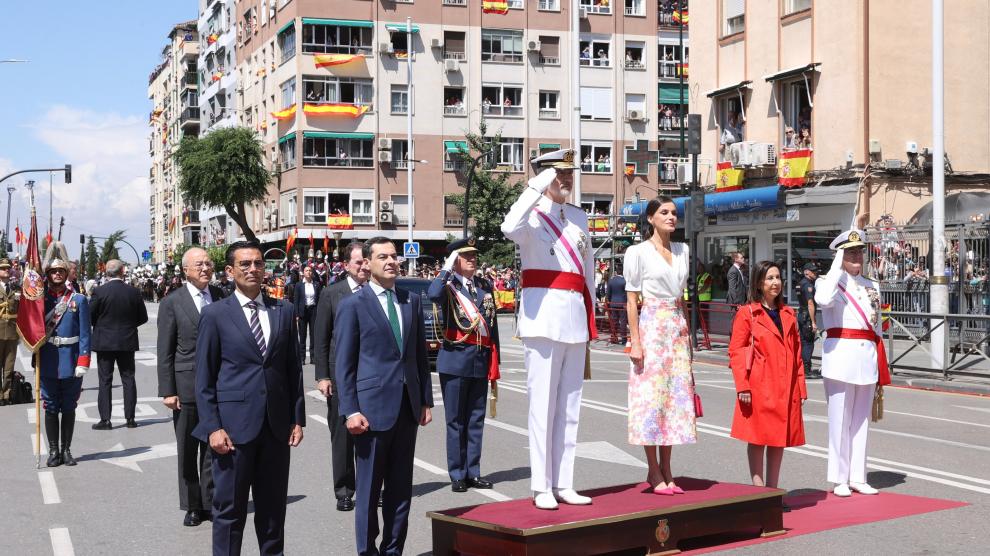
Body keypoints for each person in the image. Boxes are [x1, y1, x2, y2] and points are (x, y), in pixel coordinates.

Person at [193, 240, 306, 555]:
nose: (254, 269)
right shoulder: (215, 315)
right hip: (232, 431)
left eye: (258, 263)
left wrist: (297, 418)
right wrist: (212, 426)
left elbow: (293, 370)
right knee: (229, 512)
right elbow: (204, 378)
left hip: (275, 428)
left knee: (272, 514)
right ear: (230, 271)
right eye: (245, 264)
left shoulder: (283, 311)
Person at [500, 149, 595, 510]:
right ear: (543, 176)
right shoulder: (531, 218)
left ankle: (564, 482)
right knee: (542, 405)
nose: (567, 180)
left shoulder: (578, 217)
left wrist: (590, 313)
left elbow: (586, 271)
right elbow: (508, 227)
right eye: (560, 174)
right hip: (542, 318)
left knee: (570, 406)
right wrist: (539, 184)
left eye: (570, 174)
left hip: (573, 317)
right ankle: (541, 485)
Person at [334, 237, 433, 556]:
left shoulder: (410, 301)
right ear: (367, 263)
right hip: (371, 412)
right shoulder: (353, 304)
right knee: (368, 490)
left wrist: (425, 400)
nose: (391, 261)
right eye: (383, 257)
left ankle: (394, 549)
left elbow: (418, 355)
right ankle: (367, 550)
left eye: (394, 256)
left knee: (400, 489)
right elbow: (344, 364)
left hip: (407, 408)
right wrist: (350, 410)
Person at [624, 196, 696, 495]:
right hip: (651, 326)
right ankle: (653, 470)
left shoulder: (682, 250)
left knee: (675, 400)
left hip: (676, 329)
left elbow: (681, 298)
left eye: (674, 213)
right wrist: (636, 342)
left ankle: (668, 467)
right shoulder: (637, 252)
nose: (671, 217)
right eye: (664, 213)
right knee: (651, 400)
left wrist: (688, 335)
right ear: (651, 218)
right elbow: (631, 300)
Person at [814, 229, 890, 498]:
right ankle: (839, 478)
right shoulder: (829, 282)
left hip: (866, 358)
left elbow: (876, 326)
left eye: (859, 251)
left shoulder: (872, 284)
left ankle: (858, 476)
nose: (857, 257)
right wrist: (836, 266)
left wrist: (881, 362)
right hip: (840, 359)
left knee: (861, 421)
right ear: (840, 256)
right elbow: (822, 300)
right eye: (850, 252)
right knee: (840, 420)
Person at [156, 247, 224, 527]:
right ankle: (192, 505)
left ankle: (210, 502)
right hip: (186, 386)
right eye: (199, 264)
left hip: (219, 386)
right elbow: (165, 351)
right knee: (187, 449)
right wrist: (168, 391)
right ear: (185, 270)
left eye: (208, 263)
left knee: (213, 446)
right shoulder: (172, 303)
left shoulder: (222, 296)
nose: (206, 268)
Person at [428, 237, 500, 493]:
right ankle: (457, 473)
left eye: (474, 255)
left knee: (476, 420)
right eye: (465, 255)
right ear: (454, 260)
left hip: (479, 359)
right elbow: (432, 294)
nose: (472, 259)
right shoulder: (446, 286)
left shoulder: (483, 286)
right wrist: (446, 268)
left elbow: (492, 327)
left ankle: (474, 471)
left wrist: (495, 360)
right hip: (456, 360)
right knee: (456, 420)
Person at [728, 261, 807, 494]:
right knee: (758, 438)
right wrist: (742, 386)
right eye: (769, 278)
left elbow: (798, 354)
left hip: (786, 385)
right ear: (759, 283)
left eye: (777, 278)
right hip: (759, 385)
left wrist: (801, 387)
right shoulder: (748, 313)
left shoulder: (788, 313)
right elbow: (736, 351)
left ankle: (773, 491)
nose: (775, 283)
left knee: (778, 439)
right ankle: (759, 490)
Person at [313, 242, 369, 512]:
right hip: (340, 376)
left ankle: (373, 486)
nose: (363, 266)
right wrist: (322, 375)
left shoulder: (376, 291)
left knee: (372, 434)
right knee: (343, 436)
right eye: (358, 262)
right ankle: (344, 490)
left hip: (371, 376)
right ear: (346, 265)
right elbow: (321, 338)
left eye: (365, 261)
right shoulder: (332, 293)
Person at [38, 251, 91, 467]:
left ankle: (67, 450)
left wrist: (83, 361)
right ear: (48, 274)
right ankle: (53, 451)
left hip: (71, 359)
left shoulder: (78, 299)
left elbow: (86, 333)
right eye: (53, 271)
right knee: (51, 406)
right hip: (48, 359)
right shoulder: (40, 300)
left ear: (67, 273)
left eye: (61, 271)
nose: (57, 274)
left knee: (68, 406)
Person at [90, 259, 149, 430]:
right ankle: (130, 418)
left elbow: (90, 315)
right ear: (123, 271)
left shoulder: (99, 292)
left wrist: (102, 326)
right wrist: (128, 326)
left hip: (105, 342)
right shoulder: (133, 292)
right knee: (128, 379)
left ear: (107, 272)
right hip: (127, 340)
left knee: (105, 380)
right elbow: (143, 317)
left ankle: (105, 420)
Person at [293, 265, 322, 364]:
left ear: (312, 273)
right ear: (303, 273)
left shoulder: (317, 285)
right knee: (302, 335)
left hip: (313, 310)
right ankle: (302, 358)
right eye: (306, 270)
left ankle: (313, 357)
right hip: (303, 311)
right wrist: (296, 314)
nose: (308, 272)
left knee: (313, 334)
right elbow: (296, 300)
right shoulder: (299, 285)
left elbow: (319, 299)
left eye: (310, 270)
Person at [0, 259, 19, 406]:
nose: (6, 270)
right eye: (3, 268)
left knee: (9, 366)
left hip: (12, 332)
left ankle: (6, 394)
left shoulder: (15, 288)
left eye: (8, 268)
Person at [797, 262, 821, 379]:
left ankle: (802, 367)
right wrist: (813, 322)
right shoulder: (808, 285)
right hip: (807, 316)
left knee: (803, 342)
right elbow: (810, 303)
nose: (815, 273)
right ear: (806, 272)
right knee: (808, 343)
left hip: (802, 314)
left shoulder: (800, 283)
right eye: (813, 271)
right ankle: (806, 369)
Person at [605, 263, 627, 343]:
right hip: (623, 304)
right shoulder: (625, 281)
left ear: (616, 271)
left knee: (614, 321)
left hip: (613, 303)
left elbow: (608, 293)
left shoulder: (611, 281)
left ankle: (614, 337)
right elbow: (626, 293)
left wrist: (610, 301)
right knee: (623, 321)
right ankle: (624, 339)